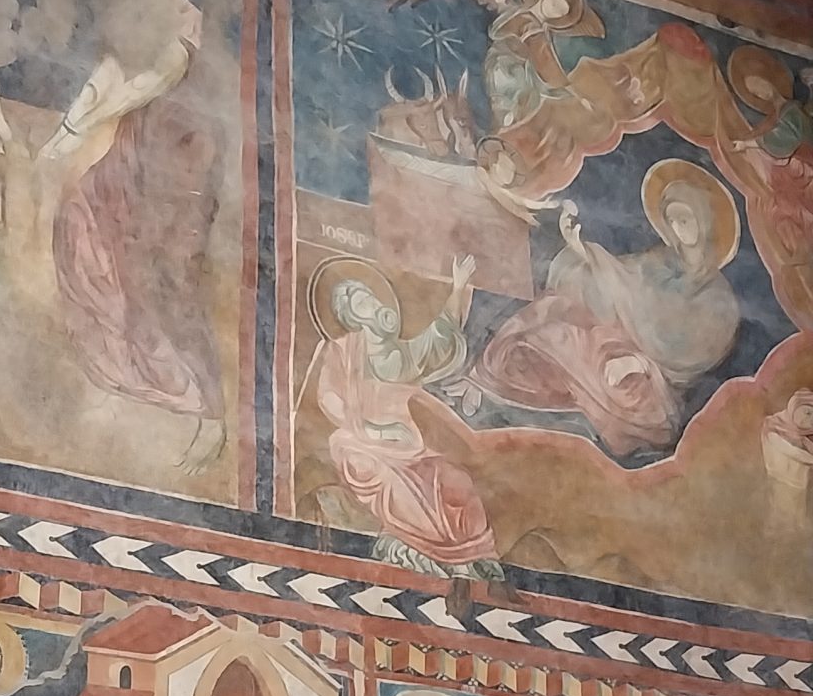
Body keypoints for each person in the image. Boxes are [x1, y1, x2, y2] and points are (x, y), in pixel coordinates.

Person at [42, 0, 228, 472]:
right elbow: (106, 79)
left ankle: (206, 410)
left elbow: (141, 86)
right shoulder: (140, 25)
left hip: (174, 166)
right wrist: (64, 137)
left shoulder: (180, 42)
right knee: (83, 231)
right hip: (132, 160)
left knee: (166, 282)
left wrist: (77, 134)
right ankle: (121, 369)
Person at [477, 163, 741, 458]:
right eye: (672, 220)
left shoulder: (718, 298)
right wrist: (582, 252)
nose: (678, 229)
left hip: (651, 377)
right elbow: (620, 277)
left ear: (705, 224)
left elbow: (693, 356)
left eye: (685, 220)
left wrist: (641, 363)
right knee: (550, 329)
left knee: (625, 394)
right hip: (611, 338)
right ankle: (521, 402)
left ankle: (575, 420)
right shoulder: (659, 261)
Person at [313, 263, 497, 577]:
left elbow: (438, 340)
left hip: (408, 444)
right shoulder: (343, 351)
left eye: (369, 297)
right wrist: (368, 429)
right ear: (351, 317)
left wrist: (457, 288)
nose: (370, 303)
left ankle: (474, 558)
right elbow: (329, 396)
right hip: (361, 443)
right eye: (360, 302)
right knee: (392, 481)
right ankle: (431, 551)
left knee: (455, 480)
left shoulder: (403, 354)